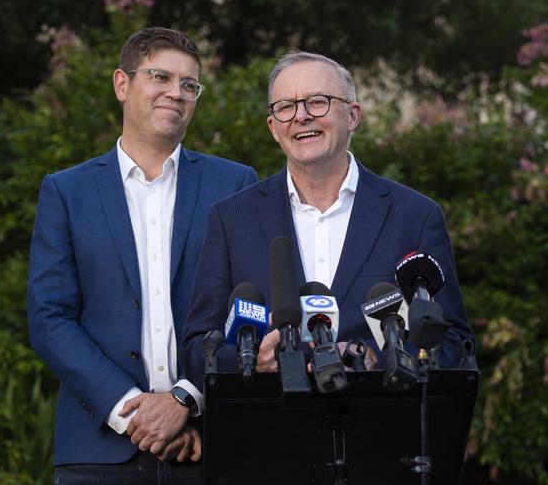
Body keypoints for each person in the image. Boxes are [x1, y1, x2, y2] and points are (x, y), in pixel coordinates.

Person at [27, 27, 257, 484]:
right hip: (97, 448)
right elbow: (49, 318)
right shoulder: (66, 191)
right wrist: (130, 412)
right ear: (122, 84)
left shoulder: (233, 185)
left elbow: (249, 308)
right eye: (160, 77)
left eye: (189, 85)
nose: (177, 92)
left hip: (208, 444)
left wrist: (185, 400)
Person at [180, 51, 474, 391]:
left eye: (318, 102)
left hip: (380, 432)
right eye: (286, 106)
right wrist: (252, 360)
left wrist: (381, 361)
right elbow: (196, 349)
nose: (301, 116)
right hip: (272, 434)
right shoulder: (232, 219)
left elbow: (453, 342)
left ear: (352, 116)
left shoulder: (415, 216)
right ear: (273, 128)